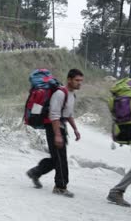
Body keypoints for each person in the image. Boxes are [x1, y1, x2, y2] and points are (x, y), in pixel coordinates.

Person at [26, 69, 84, 197]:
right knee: (61, 158)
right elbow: (54, 114)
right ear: (69, 79)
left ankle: (36, 172)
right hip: (54, 127)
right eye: (77, 80)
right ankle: (60, 186)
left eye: (81, 81)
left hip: (61, 127)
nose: (79, 83)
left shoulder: (71, 94)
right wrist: (57, 134)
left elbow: (68, 114)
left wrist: (75, 129)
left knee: (56, 158)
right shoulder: (60, 93)